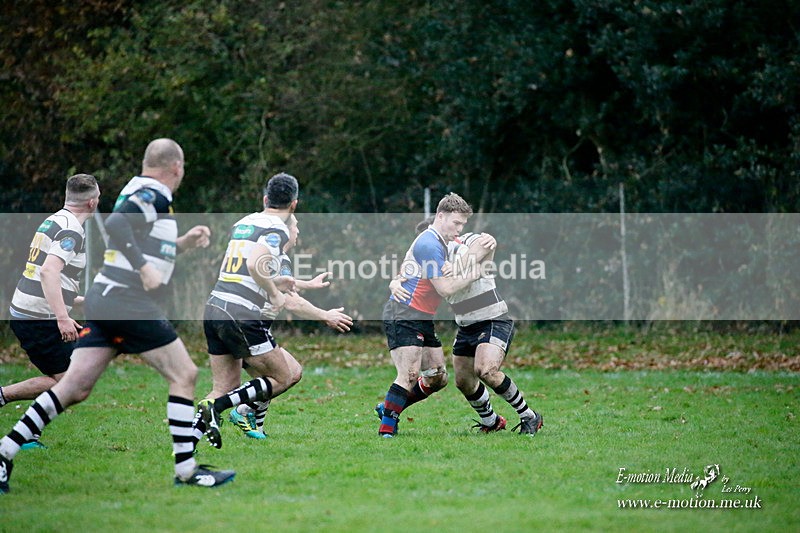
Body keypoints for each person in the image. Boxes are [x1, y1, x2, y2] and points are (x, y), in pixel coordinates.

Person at [0, 138, 234, 494]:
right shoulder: (154, 192)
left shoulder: (139, 190)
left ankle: (4, 452)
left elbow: (139, 240)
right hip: (128, 302)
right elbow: (119, 225)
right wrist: (144, 268)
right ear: (177, 167)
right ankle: (187, 470)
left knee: (73, 387)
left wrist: (184, 242)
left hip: (105, 300)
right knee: (184, 374)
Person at [391, 231, 543, 435]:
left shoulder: (466, 240)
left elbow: (484, 244)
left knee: (486, 370)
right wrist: (394, 283)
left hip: (493, 319)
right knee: (463, 381)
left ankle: (529, 416)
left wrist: (457, 266)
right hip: (466, 326)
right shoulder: (430, 258)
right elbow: (405, 275)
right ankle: (491, 421)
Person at [192, 173, 304, 449]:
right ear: (294, 204)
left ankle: (185, 446)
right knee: (283, 376)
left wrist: (282, 282)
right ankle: (220, 407)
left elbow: (246, 268)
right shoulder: (276, 228)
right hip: (241, 312)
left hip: (215, 306)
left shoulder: (243, 223)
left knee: (224, 386)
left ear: (265, 199)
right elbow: (255, 264)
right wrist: (275, 293)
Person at [377, 193, 495, 438]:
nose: (460, 229)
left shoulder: (444, 240)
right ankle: (386, 431)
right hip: (404, 312)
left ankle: (389, 407)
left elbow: (479, 246)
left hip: (422, 316)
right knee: (409, 374)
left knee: (437, 377)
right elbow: (446, 288)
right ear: (440, 216)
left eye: (463, 224)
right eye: (456, 223)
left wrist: (489, 241)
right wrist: (475, 273)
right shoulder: (429, 244)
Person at [227, 214, 353, 439]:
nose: (297, 231)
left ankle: (254, 428)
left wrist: (307, 284)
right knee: (289, 373)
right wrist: (325, 316)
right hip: (247, 328)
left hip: (232, 321)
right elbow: (292, 301)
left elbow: (279, 284)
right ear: (284, 230)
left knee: (267, 380)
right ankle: (237, 409)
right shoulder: (276, 257)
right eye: (295, 226)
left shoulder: (271, 254)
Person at [1, 174, 100, 418]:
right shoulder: (71, 231)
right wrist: (62, 317)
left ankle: (29, 430)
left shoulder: (53, 220)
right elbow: (48, 272)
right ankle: (6, 400)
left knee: (70, 380)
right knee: (70, 383)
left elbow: (43, 276)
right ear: (92, 202)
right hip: (38, 319)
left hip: (29, 311)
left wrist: (79, 302)